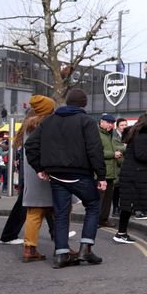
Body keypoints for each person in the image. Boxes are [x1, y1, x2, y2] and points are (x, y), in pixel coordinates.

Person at [25, 88, 107, 268]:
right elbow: (95, 150)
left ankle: (61, 254)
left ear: (68, 102)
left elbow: (30, 145)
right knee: (93, 206)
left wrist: (39, 168)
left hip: (56, 175)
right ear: (83, 104)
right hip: (80, 174)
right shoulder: (86, 121)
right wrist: (101, 176)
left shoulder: (49, 121)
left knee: (61, 213)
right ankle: (86, 249)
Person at [113, 113, 147, 244]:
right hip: (136, 174)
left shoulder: (135, 134)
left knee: (128, 205)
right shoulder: (141, 136)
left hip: (132, 174)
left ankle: (121, 233)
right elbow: (141, 155)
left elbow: (140, 151)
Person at [17, 96, 56, 262]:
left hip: (32, 173)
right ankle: (62, 246)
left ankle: (29, 248)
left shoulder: (28, 125)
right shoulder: (48, 125)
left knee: (34, 212)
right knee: (59, 211)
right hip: (47, 173)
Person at [97, 113, 123, 228]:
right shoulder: (97, 134)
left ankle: (103, 219)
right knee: (99, 200)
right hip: (101, 172)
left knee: (108, 200)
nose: (111, 125)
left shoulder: (111, 135)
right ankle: (96, 220)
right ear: (101, 122)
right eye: (108, 122)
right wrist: (113, 154)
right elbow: (96, 153)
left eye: (112, 123)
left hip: (111, 172)